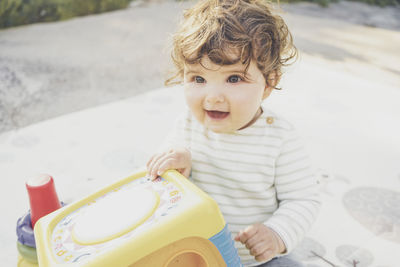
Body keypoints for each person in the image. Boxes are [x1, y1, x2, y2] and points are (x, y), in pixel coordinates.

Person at [146, 0, 320, 266]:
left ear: (269, 83)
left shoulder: (279, 138)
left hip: (255, 257)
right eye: (198, 79)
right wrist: (175, 162)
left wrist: (276, 234)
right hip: (196, 253)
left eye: (234, 79)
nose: (213, 97)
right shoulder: (187, 125)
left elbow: (303, 199)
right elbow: (159, 181)